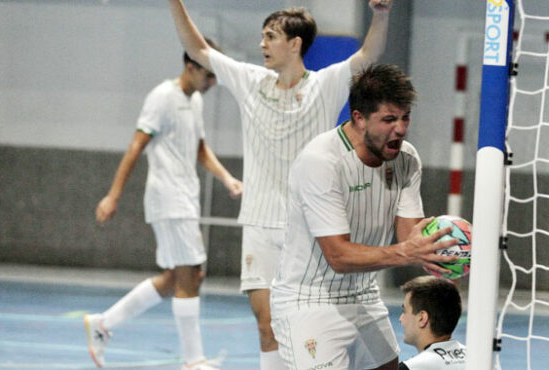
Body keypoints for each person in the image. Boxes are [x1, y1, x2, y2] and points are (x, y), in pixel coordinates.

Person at [166, 1, 395, 368]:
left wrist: (381, 14)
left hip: (310, 229)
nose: (262, 45)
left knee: (310, 327)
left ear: (295, 44)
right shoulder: (250, 81)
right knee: (267, 327)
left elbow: (369, 53)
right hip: (260, 224)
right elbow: (199, 50)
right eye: (263, 37)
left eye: (270, 37)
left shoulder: (326, 84)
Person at [270, 64, 459, 370]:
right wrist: (406, 252)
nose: (400, 128)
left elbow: (409, 237)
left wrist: (439, 249)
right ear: (358, 118)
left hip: (364, 293)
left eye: (405, 117)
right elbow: (339, 256)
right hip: (311, 300)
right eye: (388, 119)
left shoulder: (406, 158)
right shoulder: (322, 162)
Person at [84, 39, 243, 370]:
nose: (213, 83)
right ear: (190, 66)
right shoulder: (161, 97)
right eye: (209, 75)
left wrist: (227, 178)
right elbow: (136, 145)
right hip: (168, 198)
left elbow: (200, 148)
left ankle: (103, 323)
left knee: (176, 277)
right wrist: (113, 195)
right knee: (190, 276)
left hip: (186, 196)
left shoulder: (195, 100)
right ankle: (193, 361)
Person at [398, 276, 467, 370]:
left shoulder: (410, 367)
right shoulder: (477, 358)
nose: (401, 319)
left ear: (422, 318)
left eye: (404, 311)